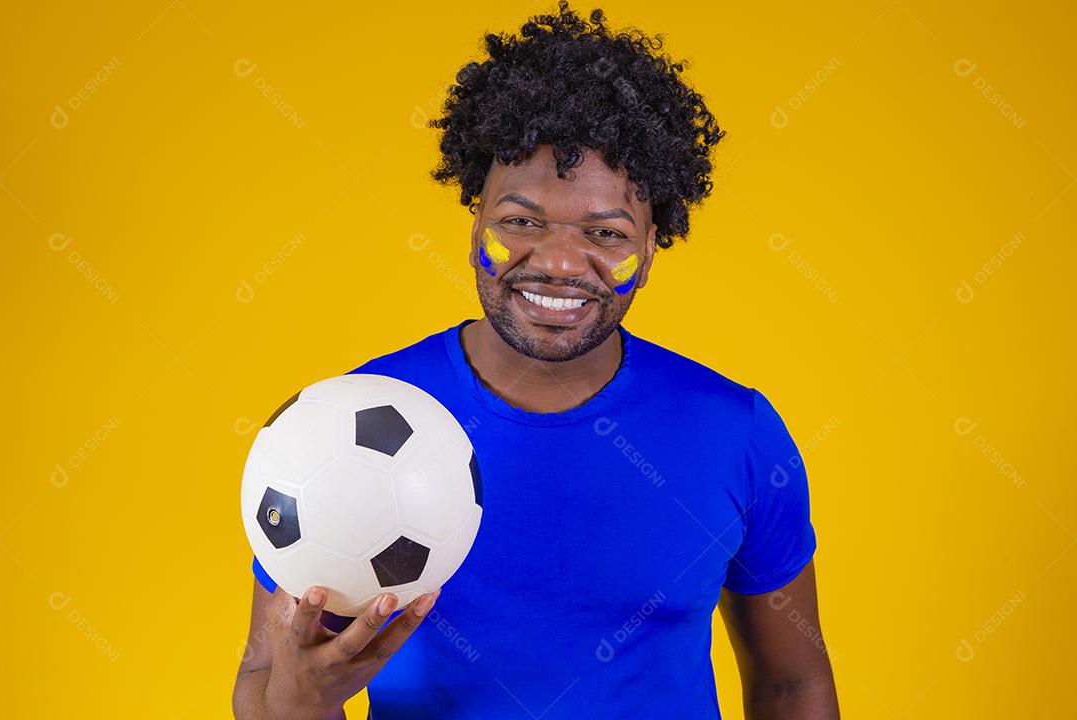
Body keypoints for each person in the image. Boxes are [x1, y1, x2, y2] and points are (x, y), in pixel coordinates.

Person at [233, 3, 839, 718]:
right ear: (475, 225)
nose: (555, 262)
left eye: (605, 232)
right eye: (520, 222)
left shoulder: (735, 432)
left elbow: (792, 683)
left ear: (649, 249)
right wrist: (302, 701)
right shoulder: (341, 425)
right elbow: (265, 677)